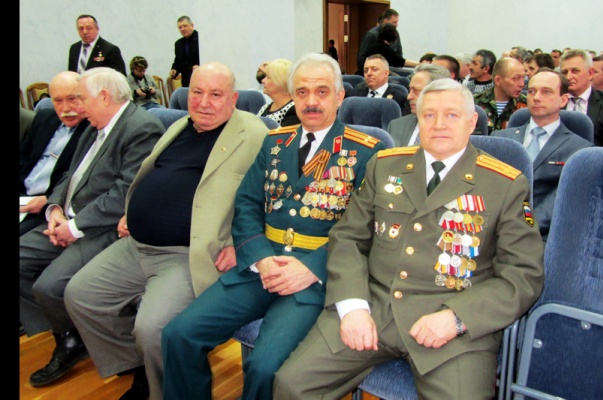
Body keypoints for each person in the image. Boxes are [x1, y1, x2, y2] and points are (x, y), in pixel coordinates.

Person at [272, 78, 545, 399]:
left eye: (452, 115)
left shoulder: (504, 184)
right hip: (373, 307)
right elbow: (347, 238)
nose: (439, 124)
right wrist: (352, 306)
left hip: (450, 322)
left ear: (472, 122)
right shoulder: (385, 165)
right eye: (429, 115)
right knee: (291, 386)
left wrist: (457, 319)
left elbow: (523, 275)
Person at [161, 53, 387, 400]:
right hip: (260, 268)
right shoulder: (275, 142)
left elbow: (365, 229)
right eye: (302, 92)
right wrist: (261, 258)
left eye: (322, 91)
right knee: (178, 334)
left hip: (313, 277)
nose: (311, 102)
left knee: (265, 367)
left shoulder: (366, 152)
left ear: (340, 96)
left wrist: (311, 268)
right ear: (292, 96)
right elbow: (247, 204)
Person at [64, 62, 269, 400]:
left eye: (215, 95)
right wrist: (132, 211)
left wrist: (241, 243)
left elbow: (270, 198)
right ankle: (145, 367)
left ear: (233, 99)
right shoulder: (179, 126)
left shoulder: (254, 133)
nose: (203, 102)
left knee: (152, 329)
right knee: (80, 295)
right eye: (197, 92)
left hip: (186, 254)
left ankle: (159, 388)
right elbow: (151, 174)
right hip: (135, 244)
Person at [20, 67, 164, 388]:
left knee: (49, 286)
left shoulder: (141, 128)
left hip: (104, 228)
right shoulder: (94, 125)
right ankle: (69, 333)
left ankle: (90, 341)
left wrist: (74, 226)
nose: (78, 107)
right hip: (68, 219)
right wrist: (55, 209)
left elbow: (125, 193)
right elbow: (69, 175)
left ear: (104, 97)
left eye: (82, 98)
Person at [493, 68, 593, 242]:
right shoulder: (500, 139)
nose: (536, 97)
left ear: (563, 100)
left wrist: (523, 228)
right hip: (493, 229)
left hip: (541, 235)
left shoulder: (580, 150)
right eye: (531, 91)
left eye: (546, 92)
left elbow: (562, 198)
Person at [20, 71, 91, 236]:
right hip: (23, 196)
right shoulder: (44, 118)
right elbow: (23, 157)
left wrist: (49, 199)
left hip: (50, 205)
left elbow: (84, 181)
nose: (66, 108)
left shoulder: (93, 130)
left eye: (72, 99)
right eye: (58, 101)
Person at [559, 49, 603, 147]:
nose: (568, 77)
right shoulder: (554, 101)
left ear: (590, 73)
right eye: (564, 72)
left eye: (575, 71)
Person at [387, 63, 450, 146]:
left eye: (416, 90)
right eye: (410, 90)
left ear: (438, 92)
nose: (409, 97)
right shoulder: (397, 125)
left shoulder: (454, 129)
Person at [474, 57, 527, 134]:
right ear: (498, 80)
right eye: (516, 78)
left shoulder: (526, 106)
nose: (522, 84)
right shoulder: (475, 103)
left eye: (523, 78)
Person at [355, 8, 403, 75]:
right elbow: (361, 60)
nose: (397, 25)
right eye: (394, 22)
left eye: (397, 22)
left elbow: (399, 54)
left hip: (390, 68)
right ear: (385, 20)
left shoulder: (396, 33)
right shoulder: (371, 35)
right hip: (374, 70)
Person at [256, 59, 301, 127]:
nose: (263, 80)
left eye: (268, 78)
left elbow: (284, 133)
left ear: (280, 82)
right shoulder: (265, 108)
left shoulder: (295, 110)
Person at [169, 16, 200, 88]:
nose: (182, 29)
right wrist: (174, 69)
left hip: (200, 79)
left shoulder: (201, 39)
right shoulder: (178, 44)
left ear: (192, 25)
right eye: (180, 27)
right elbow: (178, 61)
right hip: (186, 82)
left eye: (185, 26)